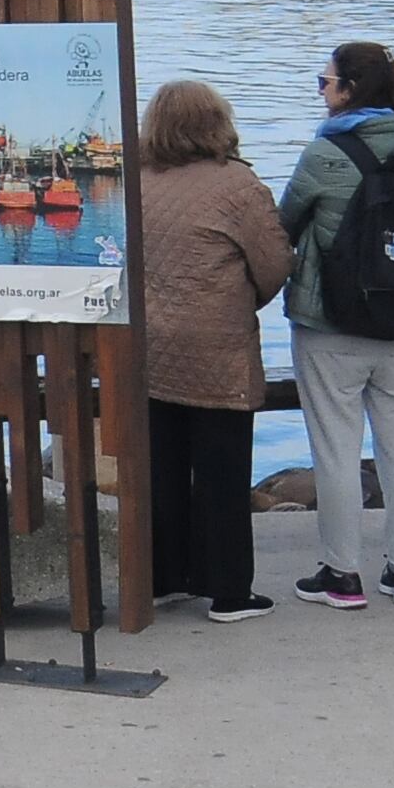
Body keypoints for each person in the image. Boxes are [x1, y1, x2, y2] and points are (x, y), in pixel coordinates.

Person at [277, 40, 394, 611]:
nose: (321, 91)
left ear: (348, 90)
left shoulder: (322, 156)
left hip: (331, 325)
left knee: (337, 451)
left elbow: (285, 226)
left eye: (324, 82)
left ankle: (343, 576)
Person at [135, 79, 288, 621]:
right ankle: (228, 591)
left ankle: (160, 576)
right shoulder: (238, 186)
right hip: (218, 350)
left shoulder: (133, 182)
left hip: (146, 349)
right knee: (222, 472)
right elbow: (273, 265)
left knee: (160, 467)